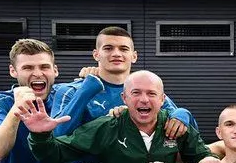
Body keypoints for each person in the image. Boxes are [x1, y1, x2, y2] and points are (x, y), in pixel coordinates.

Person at [21, 70, 221, 163]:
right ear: (124, 98)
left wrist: (207, 158)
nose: (144, 100)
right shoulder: (107, 127)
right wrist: (40, 134)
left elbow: (201, 154)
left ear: (162, 99)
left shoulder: (174, 126)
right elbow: (54, 153)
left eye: (151, 94)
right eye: (136, 93)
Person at [52, 25, 195, 136]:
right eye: (108, 48)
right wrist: (87, 90)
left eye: (123, 49)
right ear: (96, 54)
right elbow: (57, 135)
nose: (116, 54)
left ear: (134, 56)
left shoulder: (146, 93)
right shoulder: (71, 91)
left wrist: (182, 114)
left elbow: (192, 135)